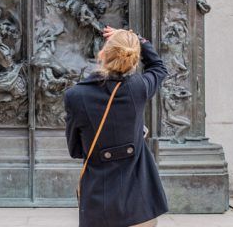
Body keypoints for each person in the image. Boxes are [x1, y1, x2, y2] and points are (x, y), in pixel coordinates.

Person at [64, 27, 168, 227]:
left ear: (102, 55)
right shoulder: (139, 87)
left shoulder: (75, 96)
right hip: (140, 201)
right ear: (134, 60)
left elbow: (76, 150)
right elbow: (158, 67)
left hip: (98, 201)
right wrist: (135, 37)